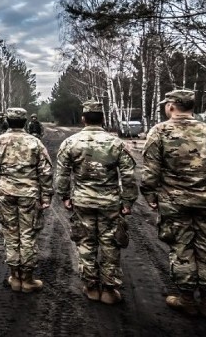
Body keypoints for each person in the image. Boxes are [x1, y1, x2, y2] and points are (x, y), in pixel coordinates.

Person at [140, 89, 206, 318]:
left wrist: (150, 196)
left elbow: (150, 171)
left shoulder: (159, 132)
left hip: (174, 203)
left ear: (171, 106)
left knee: (182, 249)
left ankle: (186, 299)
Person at [55, 100, 136, 304]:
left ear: (83, 119)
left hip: (82, 201)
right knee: (110, 244)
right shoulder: (116, 143)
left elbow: (62, 174)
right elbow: (128, 175)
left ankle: (91, 286)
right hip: (109, 203)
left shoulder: (71, 143)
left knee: (86, 242)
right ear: (103, 118)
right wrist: (128, 202)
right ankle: (109, 290)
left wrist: (64, 196)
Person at [0, 107, 53, 293]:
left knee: (11, 234)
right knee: (27, 234)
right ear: (25, 122)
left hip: (6, 193)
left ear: (7, 121)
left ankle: (15, 276)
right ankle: (27, 279)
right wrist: (46, 196)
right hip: (29, 195)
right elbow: (45, 172)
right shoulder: (34, 142)